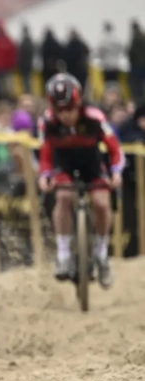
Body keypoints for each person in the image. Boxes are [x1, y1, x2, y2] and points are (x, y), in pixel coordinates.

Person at [37, 73, 122, 287]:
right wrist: (45, 175)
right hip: (63, 164)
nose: (66, 115)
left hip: (92, 163)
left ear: (79, 102)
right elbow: (45, 154)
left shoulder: (95, 117)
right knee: (64, 196)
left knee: (102, 203)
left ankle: (102, 254)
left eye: (70, 108)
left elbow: (114, 149)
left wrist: (115, 171)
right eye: (60, 110)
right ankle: (63, 253)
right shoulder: (47, 122)